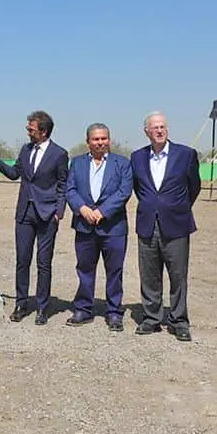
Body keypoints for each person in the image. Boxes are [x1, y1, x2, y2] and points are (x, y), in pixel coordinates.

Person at [0, 110, 69, 325]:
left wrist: (59, 211)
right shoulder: (25, 150)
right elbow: (14, 174)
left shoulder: (59, 154)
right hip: (24, 213)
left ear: (43, 131)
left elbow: (63, 184)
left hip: (47, 215)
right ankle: (21, 304)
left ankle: (43, 308)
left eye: (31, 129)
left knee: (44, 263)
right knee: (22, 261)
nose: (28, 131)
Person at [129, 111, 201, 341]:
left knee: (178, 275)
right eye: (155, 127)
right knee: (149, 274)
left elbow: (194, 187)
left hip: (177, 224)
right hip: (148, 223)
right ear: (146, 132)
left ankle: (179, 320)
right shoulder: (137, 157)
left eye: (163, 126)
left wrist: (175, 207)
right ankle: (151, 317)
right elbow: (138, 188)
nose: (160, 130)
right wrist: (153, 205)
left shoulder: (186, 155)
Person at [64, 122, 133, 331]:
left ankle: (113, 312)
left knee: (114, 271)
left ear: (109, 140)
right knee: (85, 269)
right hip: (85, 226)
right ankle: (84, 309)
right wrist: (82, 208)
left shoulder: (122, 163)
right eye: (96, 139)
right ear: (88, 142)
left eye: (103, 138)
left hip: (113, 227)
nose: (100, 142)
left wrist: (102, 211)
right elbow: (70, 189)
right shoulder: (76, 163)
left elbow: (124, 191)